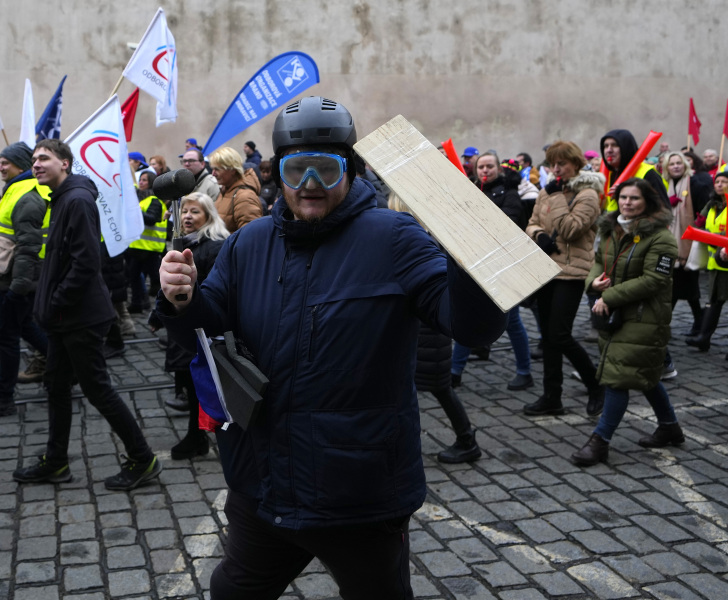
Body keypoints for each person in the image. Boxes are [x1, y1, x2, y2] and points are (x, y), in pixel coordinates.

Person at [157, 96, 506, 599]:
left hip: (357, 493)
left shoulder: (395, 237)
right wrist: (182, 298)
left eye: (326, 168)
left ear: (353, 170)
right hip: (263, 484)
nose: (311, 186)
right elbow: (209, 325)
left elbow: (472, 327)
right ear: (280, 174)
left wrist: (471, 256)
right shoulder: (247, 243)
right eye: (298, 170)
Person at [12, 140, 161, 491]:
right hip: (66, 317)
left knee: (98, 389)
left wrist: (56, 302)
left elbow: (85, 263)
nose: (36, 164)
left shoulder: (77, 200)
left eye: (44, 158)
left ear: (65, 163)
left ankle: (143, 459)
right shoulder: (64, 197)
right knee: (56, 385)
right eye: (34, 159)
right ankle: (56, 461)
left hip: (79, 316)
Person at [573, 179, 683, 465]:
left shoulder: (661, 238)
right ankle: (670, 427)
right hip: (614, 316)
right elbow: (599, 260)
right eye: (623, 197)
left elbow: (655, 280)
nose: (627, 202)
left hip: (644, 316)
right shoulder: (612, 227)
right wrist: (592, 281)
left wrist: (609, 296)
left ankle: (600, 441)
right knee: (645, 374)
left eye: (634, 198)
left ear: (648, 201)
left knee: (617, 378)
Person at [387, 193, 482, 463]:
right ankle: (463, 439)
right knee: (432, 388)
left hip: (426, 332)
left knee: (434, 388)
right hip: (426, 330)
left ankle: (466, 440)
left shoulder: (416, 239)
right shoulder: (424, 235)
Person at [523, 141, 605, 417]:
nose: (556, 169)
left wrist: (557, 197)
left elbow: (570, 229)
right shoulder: (548, 191)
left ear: (576, 164)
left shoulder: (588, 193)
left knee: (559, 334)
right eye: (552, 164)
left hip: (571, 272)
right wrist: (540, 237)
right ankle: (551, 396)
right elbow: (531, 222)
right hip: (546, 267)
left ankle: (596, 385)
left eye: (562, 164)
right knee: (548, 337)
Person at [0, 143, 50, 420]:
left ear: (20, 165)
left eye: (5, 163)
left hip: (16, 278)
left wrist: (18, 287)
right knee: (24, 326)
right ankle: (64, 366)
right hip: (13, 274)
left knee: (6, 336)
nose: (0, 167)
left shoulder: (27, 194)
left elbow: (28, 245)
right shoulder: (17, 189)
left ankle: (3, 397)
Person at [451, 151, 534, 390]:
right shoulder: (472, 190)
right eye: (481, 167)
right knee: (469, 318)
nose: (485, 171)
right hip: (476, 263)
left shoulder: (509, 193)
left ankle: (524, 371)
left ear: (498, 168)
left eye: (489, 166)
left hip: (504, 264)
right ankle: (455, 371)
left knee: (513, 321)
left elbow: (508, 224)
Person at [164, 192, 227, 460]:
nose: (187, 217)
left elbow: (215, 293)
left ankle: (200, 435)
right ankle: (196, 434)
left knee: (201, 384)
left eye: (195, 212)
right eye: (185, 211)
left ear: (208, 216)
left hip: (201, 330)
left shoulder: (214, 246)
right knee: (190, 383)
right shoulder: (183, 243)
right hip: (185, 328)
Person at [662, 152, 708, 340]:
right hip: (672, 242)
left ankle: (669, 324)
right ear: (667, 168)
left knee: (686, 287)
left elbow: (703, 209)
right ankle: (698, 323)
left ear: (685, 165)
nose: (675, 166)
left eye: (679, 163)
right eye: (672, 164)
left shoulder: (694, 183)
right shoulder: (668, 185)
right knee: (680, 287)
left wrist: (700, 222)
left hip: (689, 244)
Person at [689, 170, 728, 351]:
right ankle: (704, 337)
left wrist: (714, 237)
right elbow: (701, 224)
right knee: (714, 300)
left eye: (724, 182)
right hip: (716, 263)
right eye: (717, 181)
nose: (719, 184)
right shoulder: (712, 204)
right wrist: (700, 221)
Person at [126, 169, 166, 314]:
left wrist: (136, 211)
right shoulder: (141, 199)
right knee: (134, 277)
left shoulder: (154, 200)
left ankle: (160, 307)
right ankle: (138, 304)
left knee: (156, 280)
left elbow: (152, 219)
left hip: (150, 248)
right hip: (138, 246)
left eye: (144, 180)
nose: (141, 182)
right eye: (140, 179)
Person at [600, 130, 666, 212]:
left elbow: (663, 210)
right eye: (605, 146)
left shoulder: (648, 173)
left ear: (626, 148)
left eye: (615, 145)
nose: (609, 150)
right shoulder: (606, 175)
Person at [209, 147, 264, 234]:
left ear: (232, 170)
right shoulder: (225, 191)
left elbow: (251, 237)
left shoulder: (244, 197)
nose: (213, 174)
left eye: (217, 169)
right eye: (212, 169)